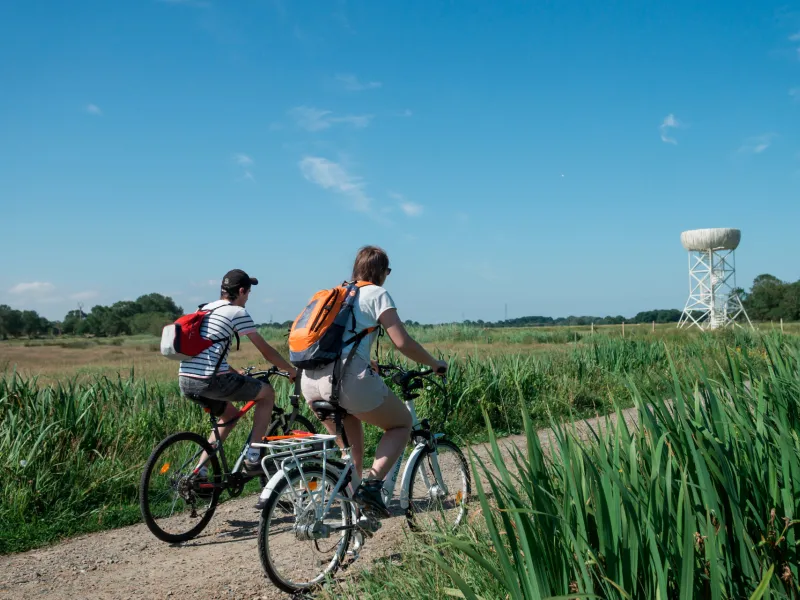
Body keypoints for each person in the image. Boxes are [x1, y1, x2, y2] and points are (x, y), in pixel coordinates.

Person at [300, 246, 447, 517]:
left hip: (310, 382)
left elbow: (338, 341)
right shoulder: (377, 293)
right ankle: (374, 484)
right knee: (401, 424)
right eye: (387, 271)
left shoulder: (337, 294)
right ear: (381, 271)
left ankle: (355, 519)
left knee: (352, 461)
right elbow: (402, 342)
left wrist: (368, 363)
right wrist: (434, 363)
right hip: (346, 384)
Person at [179, 269, 297, 473]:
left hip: (186, 379)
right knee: (267, 393)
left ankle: (199, 471)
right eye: (248, 293)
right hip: (210, 381)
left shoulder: (205, 309)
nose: (248, 298)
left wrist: (235, 373)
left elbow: (209, 355)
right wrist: (290, 369)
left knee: (230, 415)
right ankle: (254, 456)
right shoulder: (236, 312)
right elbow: (265, 350)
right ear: (241, 291)